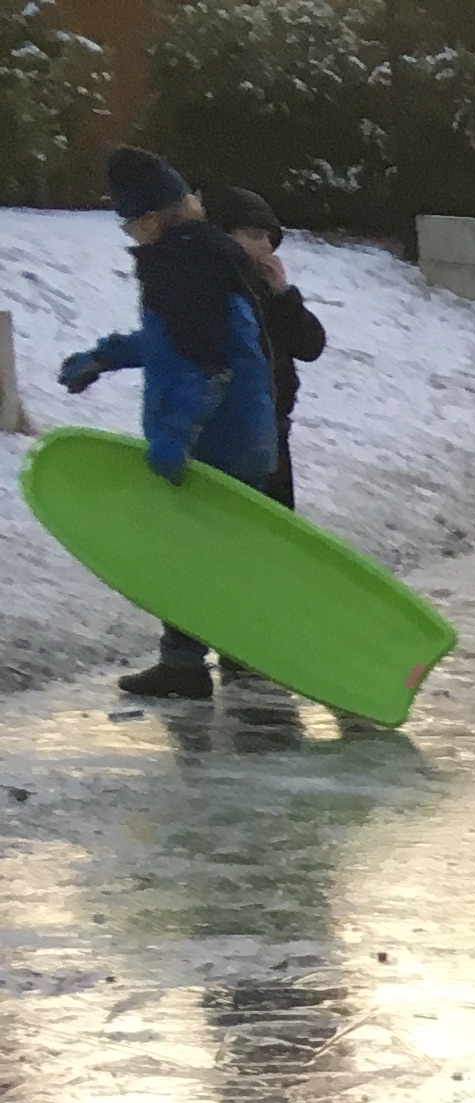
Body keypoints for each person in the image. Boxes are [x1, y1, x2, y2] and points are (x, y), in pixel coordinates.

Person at [54, 146, 280, 703]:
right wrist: (106, 356)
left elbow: (207, 365)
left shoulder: (182, 266)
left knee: (187, 556)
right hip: (241, 432)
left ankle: (190, 665)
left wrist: (176, 437)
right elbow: (174, 343)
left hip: (217, 441)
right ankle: (204, 657)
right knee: (204, 554)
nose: (129, 232)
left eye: (129, 221)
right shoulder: (199, 255)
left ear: (151, 217)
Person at [204, 187, 328, 513]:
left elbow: (311, 346)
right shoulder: (210, 291)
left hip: (272, 434)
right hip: (228, 438)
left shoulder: (267, 292)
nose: (266, 246)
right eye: (254, 235)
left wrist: (284, 295)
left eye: (269, 238)